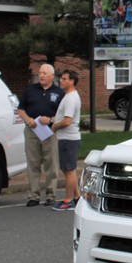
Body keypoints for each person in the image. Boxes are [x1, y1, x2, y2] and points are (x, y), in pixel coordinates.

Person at [17, 64, 65, 207]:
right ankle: (33, 195)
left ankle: (51, 194)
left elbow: (63, 114)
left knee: (51, 163)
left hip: (49, 131)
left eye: (44, 73)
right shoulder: (31, 90)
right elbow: (20, 109)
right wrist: (28, 120)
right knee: (33, 163)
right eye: (40, 73)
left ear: (52, 75)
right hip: (32, 130)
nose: (41, 75)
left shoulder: (59, 93)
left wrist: (50, 119)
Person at [51, 70, 82, 211]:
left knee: (68, 170)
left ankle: (68, 200)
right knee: (70, 170)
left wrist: (54, 126)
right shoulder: (69, 96)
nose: (61, 81)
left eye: (64, 79)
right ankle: (77, 197)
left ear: (72, 81)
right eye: (61, 79)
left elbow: (67, 121)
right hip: (66, 138)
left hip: (68, 138)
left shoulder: (70, 98)